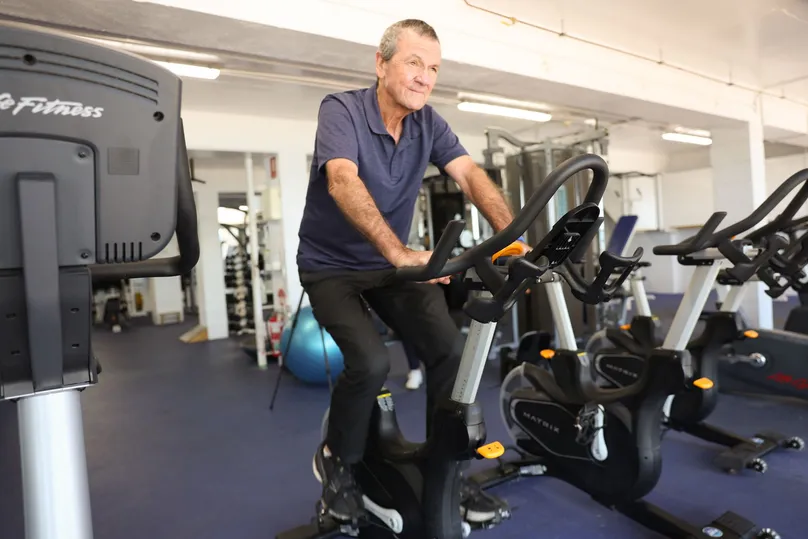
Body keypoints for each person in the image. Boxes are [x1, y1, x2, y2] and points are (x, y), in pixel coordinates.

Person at [296, 18, 527, 524]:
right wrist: (401, 253)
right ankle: (337, 462)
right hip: (330, 268)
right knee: (372, 363)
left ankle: (447, 474)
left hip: (388, 266)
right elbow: (341, 180)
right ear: (381, 64)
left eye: (435, 68)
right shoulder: (342, 110)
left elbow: (469, 175)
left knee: (449, 350)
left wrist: (512, 238)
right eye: (414, 63)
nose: (425, 77)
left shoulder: (429, 123)